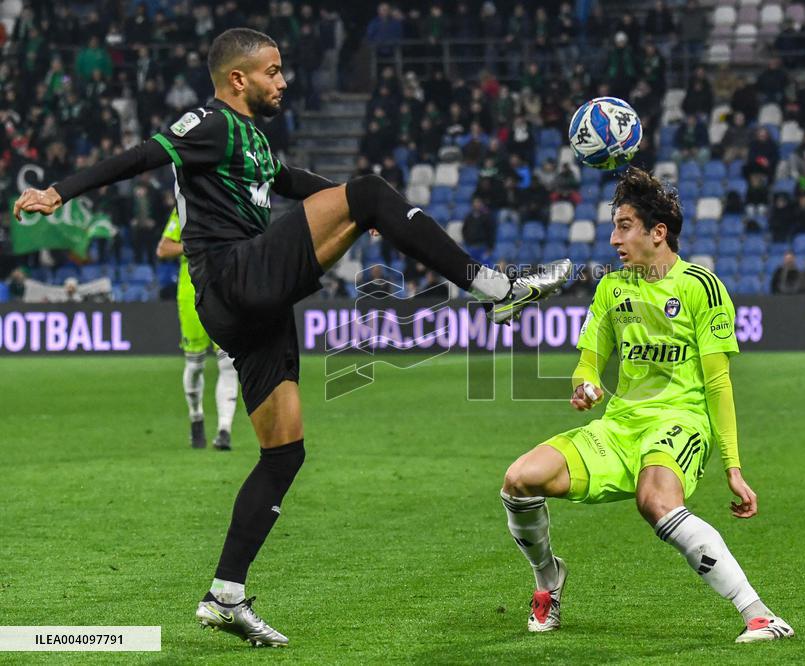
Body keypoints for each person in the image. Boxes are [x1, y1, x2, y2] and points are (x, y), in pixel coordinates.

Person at [14, 28, 571, 648]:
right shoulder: (209, 123)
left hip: (255, 308)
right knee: (367, 192)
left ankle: (225, 595)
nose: (283, 82)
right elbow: (142, 156)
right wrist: (59, 191)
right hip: (233, 276)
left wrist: (374, 217)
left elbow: (290, 181)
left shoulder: (251, 139)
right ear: (237, 80)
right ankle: (492, 289)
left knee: (284, 454)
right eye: (273, 72)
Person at [500, 167, 794, 643]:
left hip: (680, 422)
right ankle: (548, 579)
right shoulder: (611, 289)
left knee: (654, 501)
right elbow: (588, 362)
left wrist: (733, 466)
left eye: (624, 226)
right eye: (614, 226)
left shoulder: (701, 287)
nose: (614, 238)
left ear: (658, 233)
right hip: (618, 427)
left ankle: (759, 614)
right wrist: (586, 384)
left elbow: (719, 383)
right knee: (518, 480)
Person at [157, 208, 240, 451]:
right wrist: (198, 246)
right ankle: (196, 416)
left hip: (224, 293)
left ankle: (224, 430)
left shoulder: (232, 205)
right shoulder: (185, 209)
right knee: (195, 365)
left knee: (228, 363)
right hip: (191, 294)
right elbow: (163, 249)